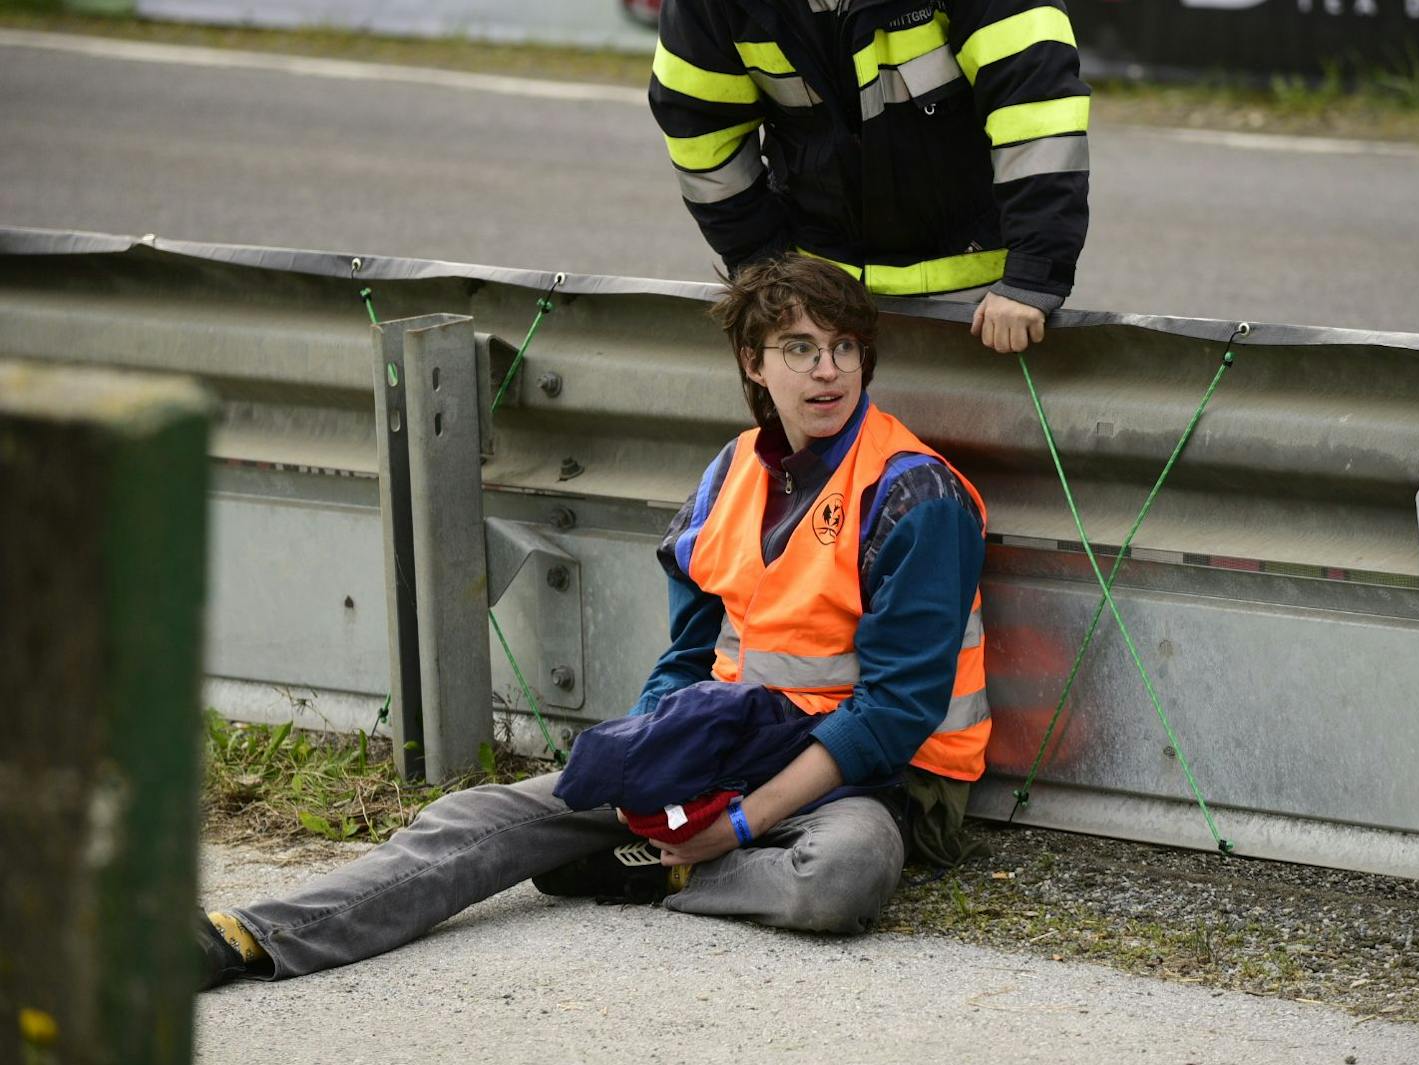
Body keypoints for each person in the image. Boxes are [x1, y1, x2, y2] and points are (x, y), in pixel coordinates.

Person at [197, 255, 992, 988]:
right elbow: (686, 659)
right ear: (754, 362)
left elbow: (892, 715)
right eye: (799, 347)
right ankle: (248, 937)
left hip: (868, 780)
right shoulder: (731, 472)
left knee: (842, 874)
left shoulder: (915, 494)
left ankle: (661, 867)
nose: (828, 370)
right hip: (732, 744)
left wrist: (737, 822)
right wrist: (652, 762)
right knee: (480, 817)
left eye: (845, 347)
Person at [649, 0, 1091, 355]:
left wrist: (1033, 273)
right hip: (817, 301)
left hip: (977, 307)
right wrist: (765, 269)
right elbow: (701, 134)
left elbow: (1037, 111)